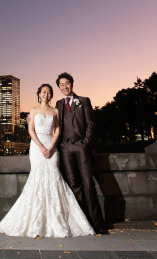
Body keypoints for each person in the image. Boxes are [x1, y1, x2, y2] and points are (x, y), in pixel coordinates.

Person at [0, 83, 94, 238]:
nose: (46, 95)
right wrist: (41, 147)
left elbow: (58, 129)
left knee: (55, 177)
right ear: (39, 94)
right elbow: (30, 130)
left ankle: (58, 219)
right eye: (43, 92)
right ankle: (36, 220)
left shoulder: (55, 110)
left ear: (51, 95)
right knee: (37, 178)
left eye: (49, 92)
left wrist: (52, 146)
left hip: (52, 146)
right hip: (36, 147)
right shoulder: (33, 110)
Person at [55, 72, 105, 233]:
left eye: (66, 83)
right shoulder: (58, 104)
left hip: (81, 147)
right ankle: (82, 222)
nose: (64, 87)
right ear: (59, 87)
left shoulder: (83, 101)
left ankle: (97, 223)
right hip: (65, 148)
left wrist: (85, 144)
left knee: (88, 184)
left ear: (72, 84)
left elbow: (91, 123)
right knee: (73, 184)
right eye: (61, 84)